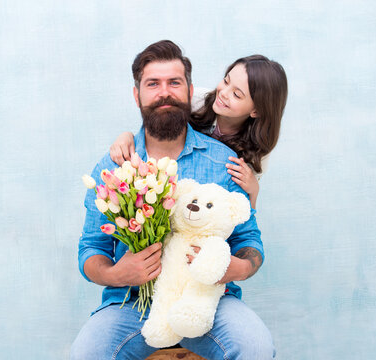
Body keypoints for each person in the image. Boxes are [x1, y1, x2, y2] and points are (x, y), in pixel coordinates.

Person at [71, 40, 275, 360]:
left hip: (210, 301)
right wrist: (115, 274)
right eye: (153, 84)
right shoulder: (113, 167)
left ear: (190, 91)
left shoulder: (226, 162)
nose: (164, 92)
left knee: (255, 347)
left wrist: (237, 267)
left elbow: (250, 242)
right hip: (129, 306)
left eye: (174, 82)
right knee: (87, 354)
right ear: (137, 95)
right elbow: (91, 248)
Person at [109, 55, 288, 209]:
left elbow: (243, 218)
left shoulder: (258, 151)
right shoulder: (196, 100)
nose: (224, 93)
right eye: (226, 81)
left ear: (255, 111)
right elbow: (155, 127)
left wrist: (254, 191)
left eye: (237, 94)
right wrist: (126, 136)